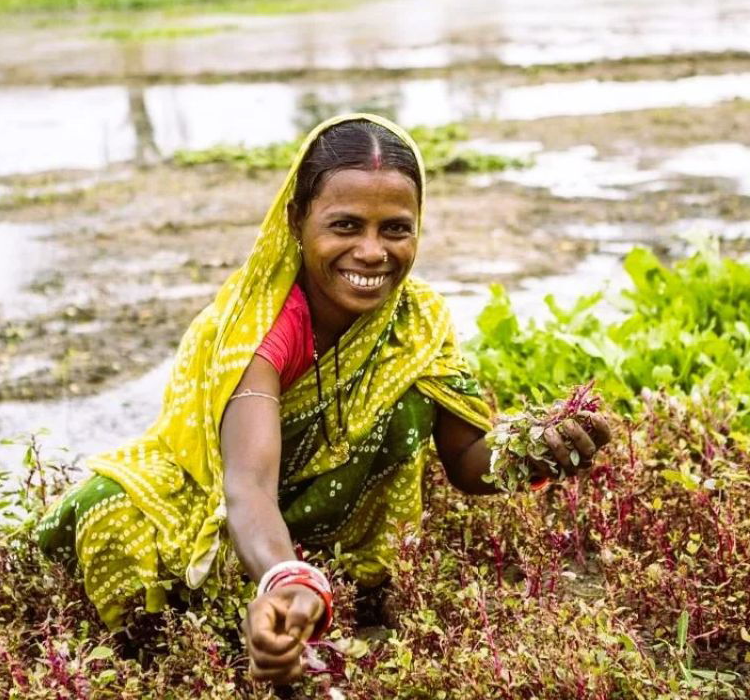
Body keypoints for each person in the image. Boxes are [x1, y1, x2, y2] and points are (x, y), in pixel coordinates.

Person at [37, 113, 610, 684]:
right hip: (226, 516)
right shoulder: (261, 330)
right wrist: (288, 580)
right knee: (112, 511)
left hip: (315, 547)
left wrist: (535, 451)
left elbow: (465, 461)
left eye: (395, 229)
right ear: (296, 221)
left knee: (409, 399)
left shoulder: (419, 321)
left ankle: (326, 591)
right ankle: (218, 627)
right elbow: (248, 486)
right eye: (345, 226)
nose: (371, 251)